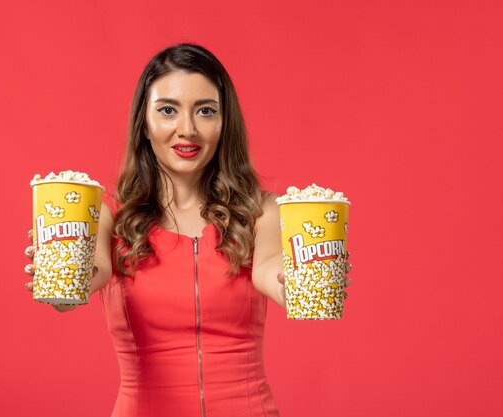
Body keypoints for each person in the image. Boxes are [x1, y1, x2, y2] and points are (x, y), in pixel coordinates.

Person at [23, 43, 352, 417]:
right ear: (144, 124)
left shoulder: (261, 211)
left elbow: (269, 272)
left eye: (206, 111)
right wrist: (62, 281)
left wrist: (303, 281)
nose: (187, 130)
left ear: (224, 123)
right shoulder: (109, 214)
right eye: (167, 110)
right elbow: (89, 273)